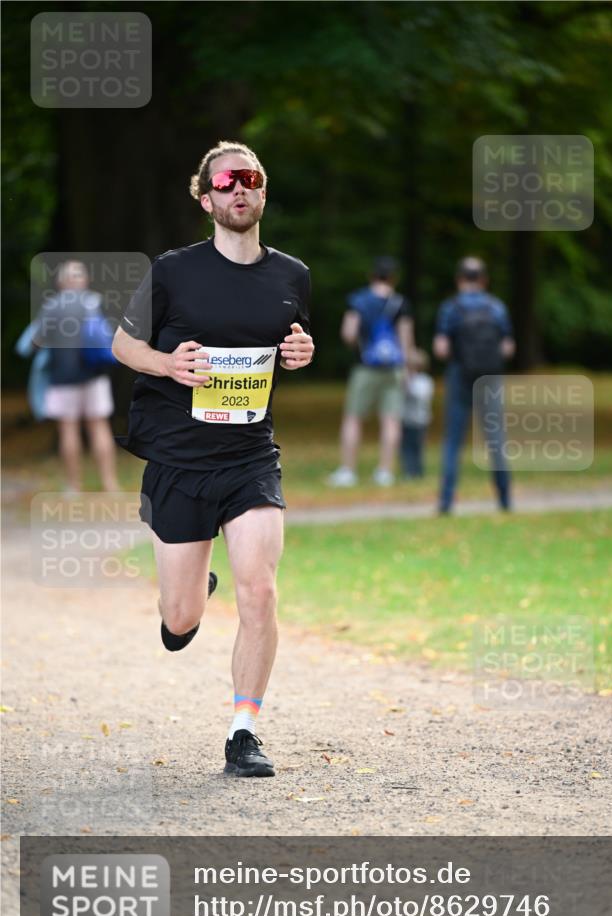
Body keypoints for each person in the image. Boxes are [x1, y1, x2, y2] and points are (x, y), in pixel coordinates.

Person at [111, 140, 314, 778]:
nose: (238, 189)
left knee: (260, 590)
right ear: (206, 200)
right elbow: (122, 345)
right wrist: (167, 364)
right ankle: (193, 591)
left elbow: (292, 344)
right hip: (178, 460)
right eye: (224, 183)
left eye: (249, 178)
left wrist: (301, 353)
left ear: (263, 191)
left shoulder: (292, 276)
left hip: (250, 457)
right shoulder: (173, 271)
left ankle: (243, 732)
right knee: (179, 621)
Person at [433, 257, 515, 513]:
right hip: (490, 378)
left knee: (453, 440)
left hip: (460, 375)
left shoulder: (451, 308)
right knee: (496, 438)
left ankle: (446, 502)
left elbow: (441, 348)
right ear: (484, 280)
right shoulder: (496, 307)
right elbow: (508, 347)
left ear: (459, 279)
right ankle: (504, 500)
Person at [33, 260, 120, 493]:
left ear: (60, 282)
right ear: (85, 280)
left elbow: (37, 341)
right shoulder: (95, 302)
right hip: (95, 374)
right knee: (99, 426)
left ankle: (73, 486)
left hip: (62, 377)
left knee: (68, 429)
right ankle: (110, 484)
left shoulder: (51, 306)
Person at [328, 256, 414, 487]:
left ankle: (348, 471)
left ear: (372, 275)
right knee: (391, 420)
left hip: (365, 367)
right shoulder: (400, 303)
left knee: (353, 418)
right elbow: (406, 340)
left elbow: (348, 333)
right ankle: (385, 472)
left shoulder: (359, 300)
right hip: (393, 369)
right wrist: (407, 370)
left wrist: (361, 343)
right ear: (394, 278)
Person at [400, 348, 434, 479]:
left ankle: (418, 471)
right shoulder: (405, 379)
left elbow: (420, 396)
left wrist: (408, 385)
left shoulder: (425, 381)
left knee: (417, 447)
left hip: (420, 421)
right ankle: (408, 471)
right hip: (406, 420)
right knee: (406, 447)